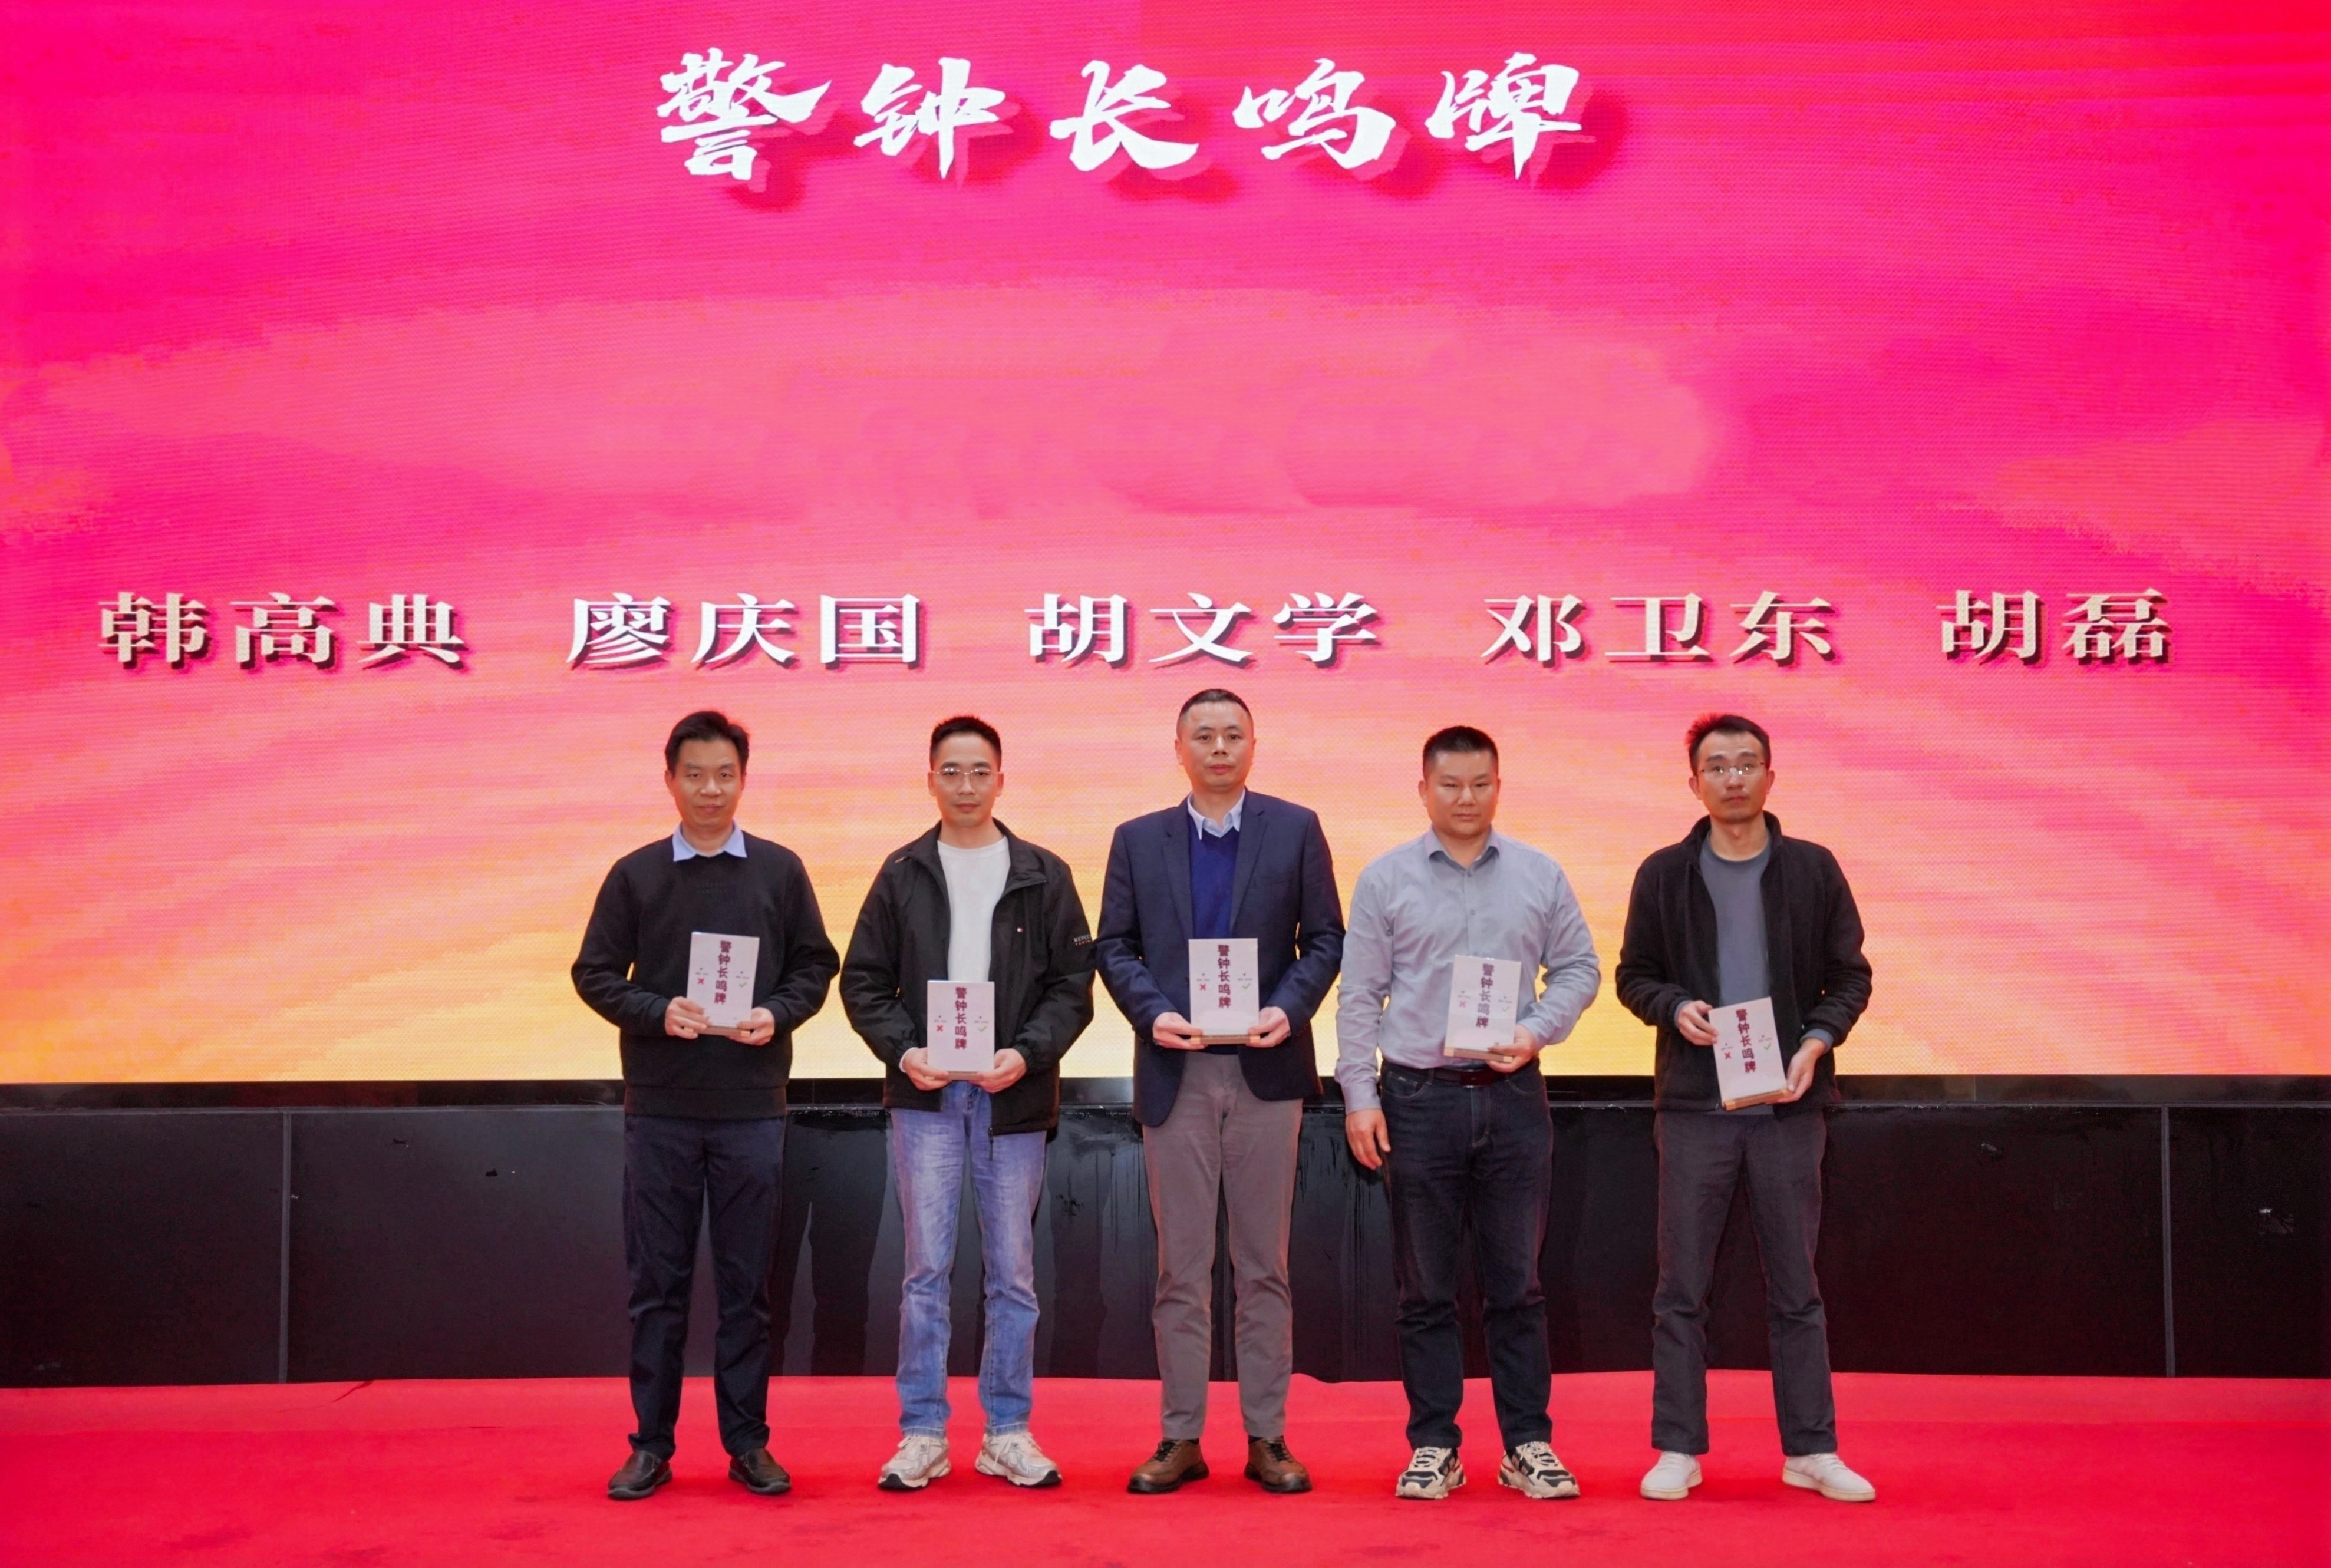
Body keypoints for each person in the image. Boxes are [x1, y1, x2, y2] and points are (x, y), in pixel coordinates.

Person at [572, 709, 840, 1502]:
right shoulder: (636, 874)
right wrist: (658, 1011)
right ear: (670, 780)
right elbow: (594, 973)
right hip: (660, 1110)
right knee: (656, 1286)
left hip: (751, 1110)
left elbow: (815, 966)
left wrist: (777, 1014)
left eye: (725, 774)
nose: (710, 789)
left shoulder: (780, 871)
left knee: (746, 1286)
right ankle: (651, 1446)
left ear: (743, 780)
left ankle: (748, 1442)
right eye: (695, 774)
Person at [1615, 712, 1877, 1505]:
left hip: (1788, 1107)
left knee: (1797, 1287)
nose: (1733, 777)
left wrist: (1817, 1041)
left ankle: (1812, 1449)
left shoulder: (1813, 869)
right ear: (1693, 781)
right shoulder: (1664, 873)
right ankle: (1677, 1448)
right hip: (1696, 1106)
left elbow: (1851, 976)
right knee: (1680, 1289)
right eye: (1717, 766)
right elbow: (1634, 975)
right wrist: (1674, 1007)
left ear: (1770, 774)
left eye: (1747, 763)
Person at [1336, 725, 1600, 1503]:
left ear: (1498, 787)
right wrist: (1359, 1096)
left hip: (1513, 1097)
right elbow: (1359, 996)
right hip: (1417, 1099)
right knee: (1425, 1289)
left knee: (1518, 1284)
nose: (1466, 798)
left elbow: (1580, 968)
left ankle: (1528, 1445)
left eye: (1480, 784)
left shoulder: (1539, 873)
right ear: (1423, 789)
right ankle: (1434, 1446)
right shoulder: (1385, 879)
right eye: (1450, 784)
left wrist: (1536, 1029)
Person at [1094, 689, 1344, 1496]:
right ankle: (1181, 1435)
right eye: (1203, 735)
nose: (1219, 747)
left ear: (1253, 745)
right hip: (1179, 1070)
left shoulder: (1295, 828)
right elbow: (1115, 946)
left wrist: (1288, 1008)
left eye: (1234, 734)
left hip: (1267, 1069)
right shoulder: (1138, 839)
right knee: (1182, 1269)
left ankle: (1268, 1435)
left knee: (1264, 1265)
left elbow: (1326, 939)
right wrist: (1154, 1013)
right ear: (1179, 748)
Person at [839, 715, 1095, 1492]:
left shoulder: (1043, 873)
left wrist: (1027, 1054)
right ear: (930, 780)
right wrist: (905, 1050)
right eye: (951, 771)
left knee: (1013, 1274)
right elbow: (862, 980)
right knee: (925, 1270)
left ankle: (1007, 1430)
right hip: (926, 1097)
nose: (966, 785)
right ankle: (922, 1432)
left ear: (1001, 780)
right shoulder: (902, 872)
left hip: (1012, 1095)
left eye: (980, 771)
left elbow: (1072, 987)